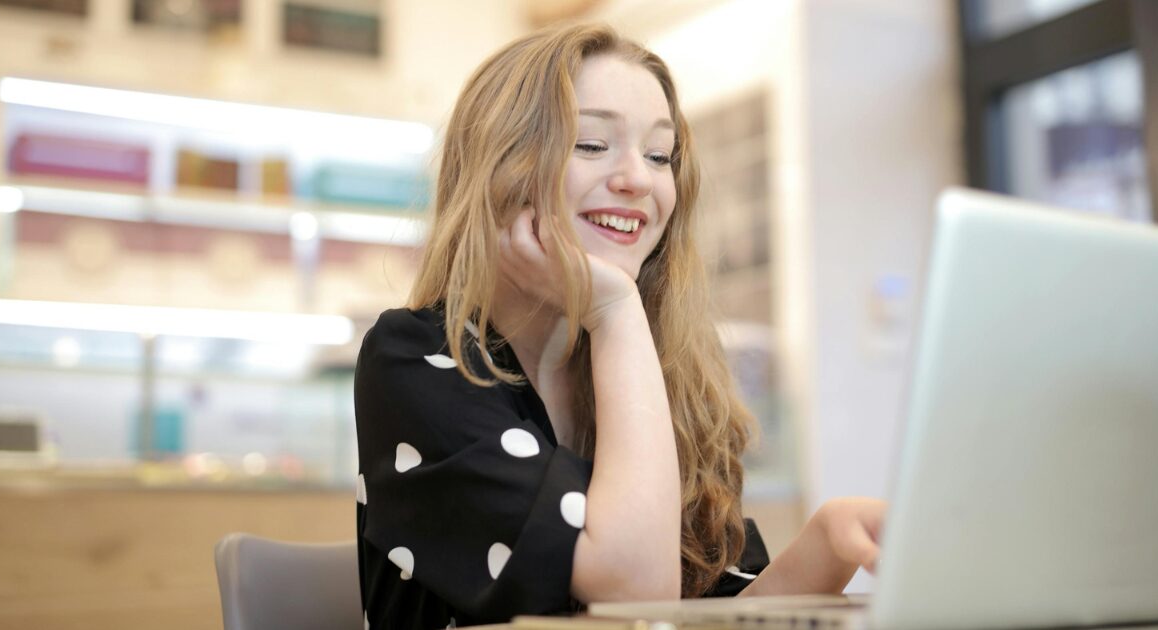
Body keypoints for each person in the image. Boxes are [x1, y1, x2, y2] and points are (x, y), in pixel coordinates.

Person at [354, 22, 886, 630]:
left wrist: (828, 543)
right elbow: (637, 592)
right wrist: (614, 312)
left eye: (660, 155)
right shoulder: (415, 358)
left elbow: (696, 619)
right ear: (502, 170)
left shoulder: (661, 372)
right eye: (591, 144)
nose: (640, 179)